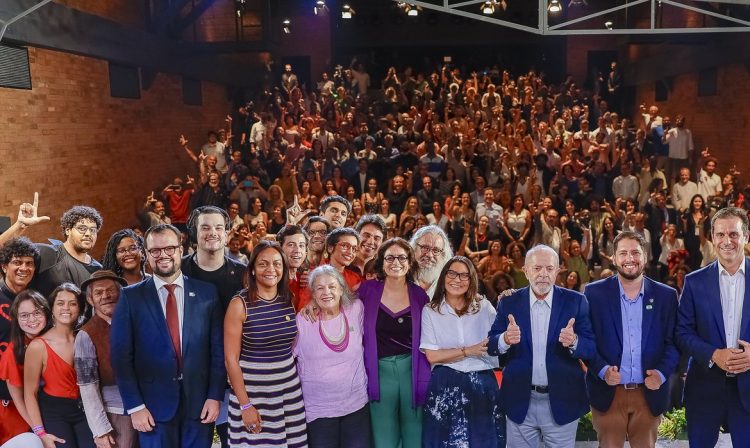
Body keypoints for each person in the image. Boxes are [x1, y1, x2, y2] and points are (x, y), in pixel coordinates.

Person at [111, 224, 225, 448]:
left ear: (181, 250)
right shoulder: (130, 298)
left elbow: (217, 350)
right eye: (155, 250)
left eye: (169, 248)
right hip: (152, 409)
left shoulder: (207, 293)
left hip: (199, 404)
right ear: (147, 255)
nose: (163, 255)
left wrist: (215, 396)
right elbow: (121, 358)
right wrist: (135, 406)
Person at [487, 244, 596, 447]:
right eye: (537, 268)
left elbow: (590, 348)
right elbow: (492, 345)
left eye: (549, 268)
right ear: (526, 271)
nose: (543, 274)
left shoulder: (576, 301)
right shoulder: (509, 302)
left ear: (558, 270)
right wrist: (505, 339)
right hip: (519, 401)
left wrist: (574, 342)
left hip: (563, 401)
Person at [584, 231, 679, 447]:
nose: (630, 259)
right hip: (607, 392)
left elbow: (673, 342)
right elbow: (587, 341)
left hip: (649, 392)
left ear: (645, 256)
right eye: (623, 253)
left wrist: (662, 373)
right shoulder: (593, 293)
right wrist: (602, 370)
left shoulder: (666, 295)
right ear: (614, 257)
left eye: (635, 253)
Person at [676, 207, 750, 447]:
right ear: (712, 237)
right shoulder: (694, 281)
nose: (727, 241)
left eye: (734, 234)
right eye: (720, 234)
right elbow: (682, 332)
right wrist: (713, 354)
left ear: (746, 237)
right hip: (704, 389)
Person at [223, 240, 307, 447]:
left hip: (289, 392)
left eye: (277, 264)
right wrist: (245, 405)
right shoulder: (239, 304)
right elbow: (230, 360)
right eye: (263, 263)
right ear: (251, 270)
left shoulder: (288, 299)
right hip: (254, 394)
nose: (271, 269)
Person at [420, 256, 505, 447]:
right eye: (452, 273)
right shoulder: (430, 310)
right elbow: (432, 355)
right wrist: (468, 351)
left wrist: (509, 302)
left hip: (482, 384)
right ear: (443, 277)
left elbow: (500, 341)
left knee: (483, 442)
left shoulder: (483, 307)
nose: (457, 279)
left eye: (464, 275)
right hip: (445, 385)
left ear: (471, 280)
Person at [357, 238, 431, 448]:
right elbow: (341, 305)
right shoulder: (367, 290)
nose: (395, 262)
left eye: (401, 257)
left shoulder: (419, 295)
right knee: (384, 437)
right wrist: (312, 306)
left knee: (414, 433)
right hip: (379, 371)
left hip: (412, 370)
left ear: (409, 263)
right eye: (389, 257)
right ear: (381, 262)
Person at [294, 265, 370, 447]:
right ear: (312, 293)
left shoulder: (356, 309)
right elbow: (287, 357)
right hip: (319, 411)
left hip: (356, 406)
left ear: (342, 289)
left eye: (332, 286)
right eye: (319, 288)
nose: (326, 292)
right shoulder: (303, 320)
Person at [24, 283, 94, 448]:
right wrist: (40, 433)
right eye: (60, 303)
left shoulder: (86, 338)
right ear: (52, 308)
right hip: (54, 413)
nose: (66, 308)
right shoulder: (38, 346)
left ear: (80, 308)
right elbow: (29, 394)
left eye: (73, 303)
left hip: (85, 410)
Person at [74, 270, 138, 448]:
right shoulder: (86, 335)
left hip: (145, 412)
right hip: (115, 415)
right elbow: (87, 386)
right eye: (98, 292)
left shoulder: (133, 323)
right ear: (90, 300)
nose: (106, 296)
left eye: (111, 290)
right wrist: (100, 429)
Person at [0, 290, 50, 448]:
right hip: (19, 418)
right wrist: (40, 431)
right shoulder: (13, 353)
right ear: (16, 319)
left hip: (49, 411)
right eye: (24, 315)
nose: (32, 320)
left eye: (37, 313)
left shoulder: (54, 339)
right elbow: (19, 401)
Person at [29, 206, 104, 298]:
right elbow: (8, 252)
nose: (88, 234)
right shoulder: (48, 253)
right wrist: (19, 226)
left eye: (93, 230)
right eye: (82, 228)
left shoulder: (97, 270)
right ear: (68, 230)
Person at [409, 225, 453, 297]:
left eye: (436, 250)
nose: (429, 255)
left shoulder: (449, 284)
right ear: (414, 248)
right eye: (425, 247)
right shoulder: (402, 278)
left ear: (443, 255)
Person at [276, 224, 311, 311]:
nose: (297, 250)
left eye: (301, 245)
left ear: (306, 251)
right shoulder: (271, 281)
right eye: (291, 245)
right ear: (279, 248)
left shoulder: (306, 280)